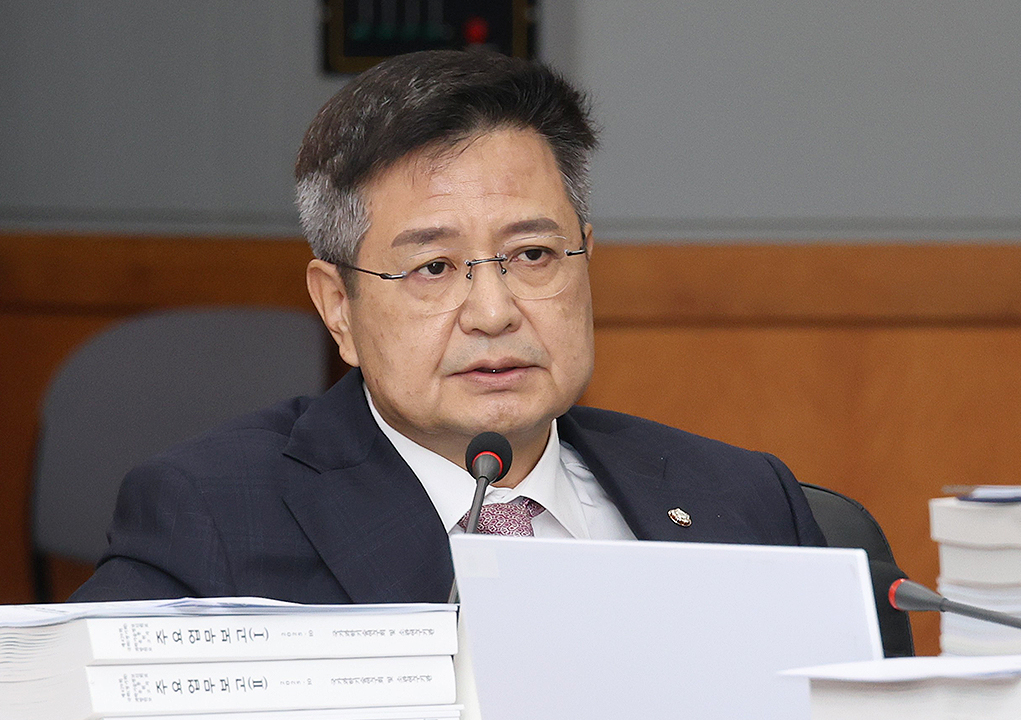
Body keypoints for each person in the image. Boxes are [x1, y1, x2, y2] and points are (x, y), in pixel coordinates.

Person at [70, 50, 826, 605]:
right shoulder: (211, 520)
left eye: (533, 255)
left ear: (585, 258)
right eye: (433, 267)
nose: (494, 313)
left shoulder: (745, 500)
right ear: (338, 307)